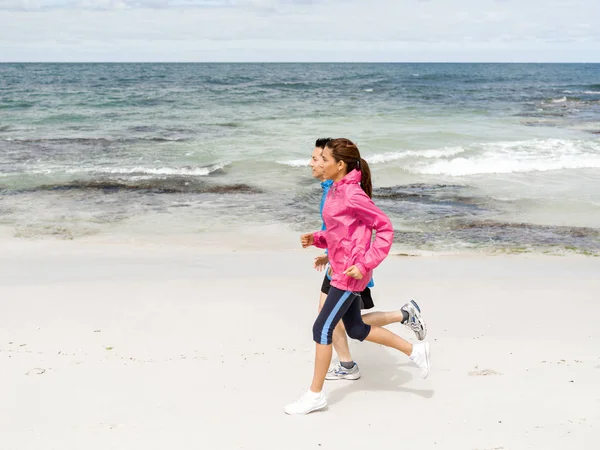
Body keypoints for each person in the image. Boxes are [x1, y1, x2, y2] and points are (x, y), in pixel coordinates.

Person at [285, 138, 431, 415]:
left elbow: (385, 229)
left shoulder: (352, 194)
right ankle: (414, 351)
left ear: (340, 165)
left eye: (323, 159)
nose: (316, 163)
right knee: (356, 329)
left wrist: (365, 264)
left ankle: (315, 395)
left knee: (322, 328)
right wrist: (317, 239)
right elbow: (342, 233)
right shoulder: (337, 191)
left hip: (349, 276)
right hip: (339, 269)